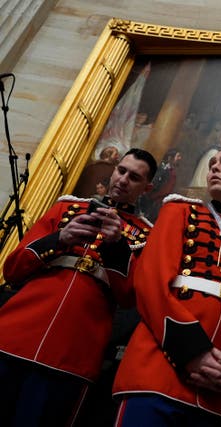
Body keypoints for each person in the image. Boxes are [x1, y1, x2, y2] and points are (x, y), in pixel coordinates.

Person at [112, 148, 221, 427]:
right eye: (212, 163)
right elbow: (150, 284)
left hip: (214, 391)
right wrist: (193, 351)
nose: (214, 167)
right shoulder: (180, 211)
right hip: (157, 374)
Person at [0, 148, 157, 426]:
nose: (122, 180)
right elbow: (12, 270)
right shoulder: (66, 208)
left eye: (134, 177)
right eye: (121, 171)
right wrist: (61, 237)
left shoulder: (147, 235)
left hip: (74, 352)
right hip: (13, 335)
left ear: (146, 187)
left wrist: (117, 248)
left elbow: (131, 298)